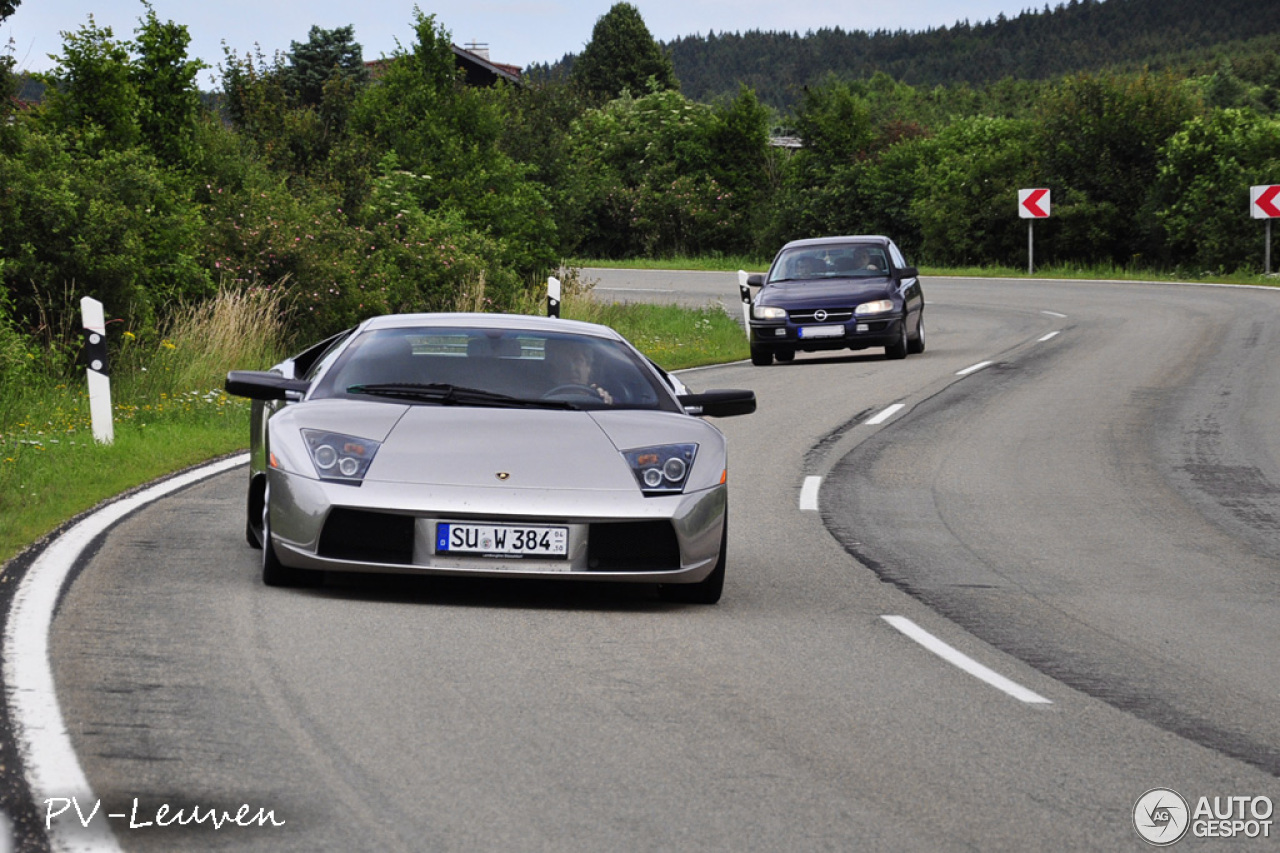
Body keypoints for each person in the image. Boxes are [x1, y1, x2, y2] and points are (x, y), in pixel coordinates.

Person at [544, 337, 614, 403]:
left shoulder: (602, 398)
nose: (572, 368)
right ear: (553, 371)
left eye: (578, 360)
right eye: (564, 362)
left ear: (588, 367)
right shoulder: (537, 398)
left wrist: (606, 401)